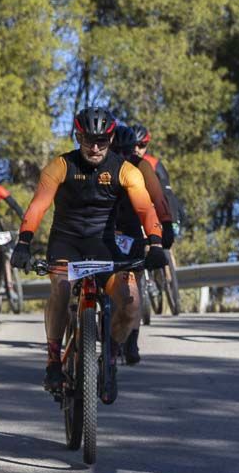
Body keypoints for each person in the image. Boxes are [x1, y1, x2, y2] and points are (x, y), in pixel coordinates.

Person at [10, 107, 169, 392]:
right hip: (66, 241)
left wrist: (155, 243)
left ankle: (108, 356)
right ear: (78, 137)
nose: (95, 148)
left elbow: (146, 208)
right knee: (60, 289)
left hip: (104, 244)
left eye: (102, 141)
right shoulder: (60, 165)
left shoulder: (125, 170)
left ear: (110, 140)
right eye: (88, 140)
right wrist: (24, 242)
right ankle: (53, 361)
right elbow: (38, 206)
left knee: (130, 304)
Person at [112, 124, 176, 364]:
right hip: (103, 229)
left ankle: (132, 340)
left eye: (127, 151)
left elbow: (159, 199)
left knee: (133, 287)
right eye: (116, 151)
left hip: (129, 229)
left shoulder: (143, 166)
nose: (122, 156)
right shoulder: (98, 166)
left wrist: (166, 226)